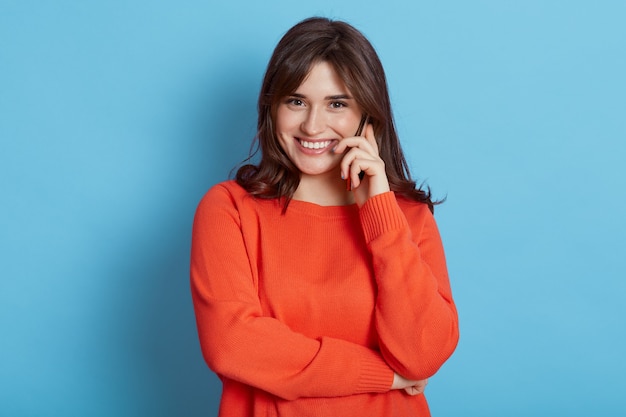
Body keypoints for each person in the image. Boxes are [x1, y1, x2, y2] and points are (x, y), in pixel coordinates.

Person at [190, 17, 459, 416]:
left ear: (368, 116)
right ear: (272, 107)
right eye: (296, 101)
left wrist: (380, 210)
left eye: (337, 104)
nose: (313, 125)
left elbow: (422, 355)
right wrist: (383, 375)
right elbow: (233, 345)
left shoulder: (407, 216)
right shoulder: (230, 209)